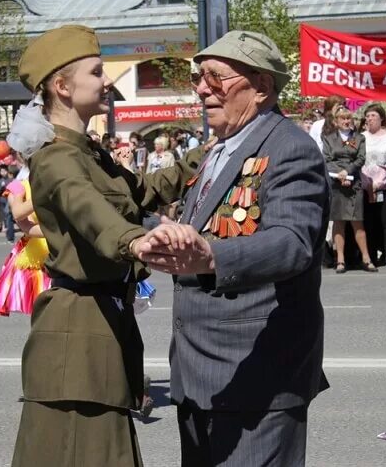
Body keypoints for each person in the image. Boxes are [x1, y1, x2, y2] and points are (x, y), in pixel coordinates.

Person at [133, 30, 330, 467]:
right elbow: (198, 226)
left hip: (256, 373)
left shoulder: (290, 148)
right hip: (200, 370)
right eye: (199, 78)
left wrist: (211, 257)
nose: (202, 88)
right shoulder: (220, 149)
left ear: (260, 87)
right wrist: (152, 231)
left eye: (215, 78)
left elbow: (292, 242)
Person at [11, 25, 202, 466]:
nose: (107, 81)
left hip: (99, 328)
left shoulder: (87, 151)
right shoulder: (57, 158)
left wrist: (204, 155)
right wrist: (136, 242)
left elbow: (142, 192)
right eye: (96, 72)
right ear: (62, 86)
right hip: (76, 339)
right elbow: (89, 212)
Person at [0, 102, 54, 316]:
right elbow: (19, 216)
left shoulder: (56, 176)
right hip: (38, 252)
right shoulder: (19, 184)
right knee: (41, 307)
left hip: (63, 250)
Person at [322, 105, 376, 272]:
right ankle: (340, 260)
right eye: (343, 119)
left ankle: (366, 259)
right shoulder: (328, 138)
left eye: (348, 119)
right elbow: (327, 159)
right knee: (338, 221)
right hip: (336, 183)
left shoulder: (359, 138)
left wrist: (348, 172)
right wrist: (340, 175)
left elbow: (361, 159)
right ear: (336, 122)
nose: (346, 121)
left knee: (357, 222)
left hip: (354, 184)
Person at [361, 104, 386, 269]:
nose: (369, 119)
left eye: (373, 116)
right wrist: (367, 183)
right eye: (368, 116)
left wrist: (380, 182)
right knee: (369, 222)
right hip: (366, 186)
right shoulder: (361, 137)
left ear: (381, 118)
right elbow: (359, 161)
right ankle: (371, 255)